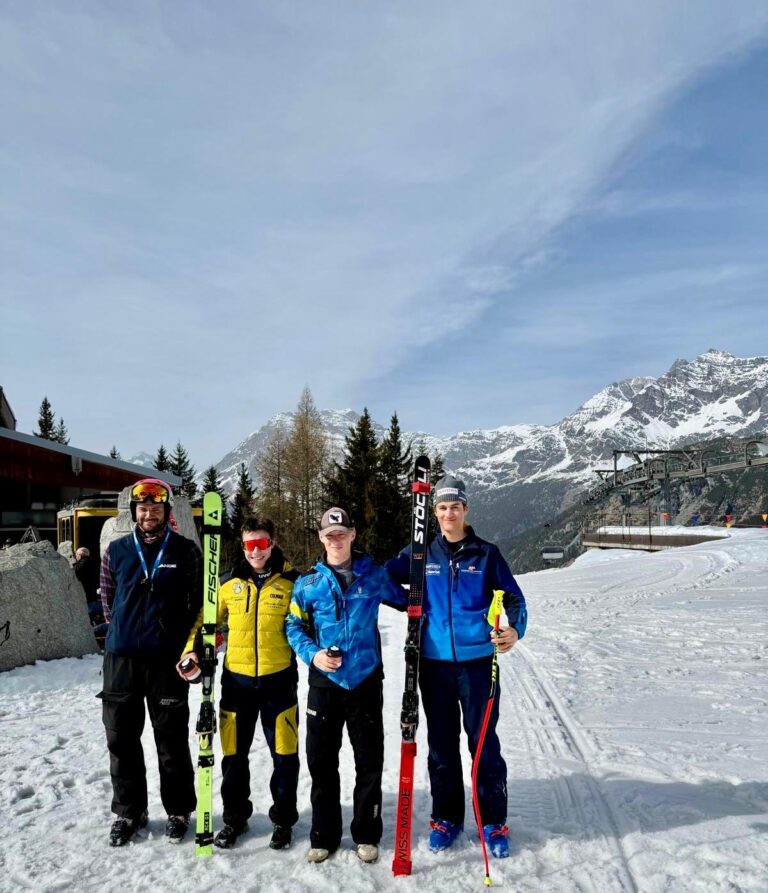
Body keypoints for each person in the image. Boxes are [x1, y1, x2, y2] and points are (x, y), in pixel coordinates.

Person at [386, 476, 527, 859]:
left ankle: (492, 820)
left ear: (466, 510)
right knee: (442, 747)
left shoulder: (486, 554)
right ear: (434, 513)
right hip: (433, 667)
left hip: (478, 665)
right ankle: (446, 818)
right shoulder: (420, 554)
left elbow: (513, 598)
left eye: (455, 507)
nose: (449, 513)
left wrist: (513, 630)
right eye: (442, 507)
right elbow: (384, 578)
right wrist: (410, 603)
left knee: (482, 744)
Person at [286, 507, 408, 865]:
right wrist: (313, 654)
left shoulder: (375, 576)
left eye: (342, 534)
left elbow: (410, 603)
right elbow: (294, 627)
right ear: (321, 538)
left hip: (365, 680)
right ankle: (323, 835)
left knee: (368, 759)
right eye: (329, 535)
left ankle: (366, 834)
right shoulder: (308, 583)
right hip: (325, 681)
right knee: (321, 760)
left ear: (353, 535)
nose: (335, 540)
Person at [177, 517, 300, 851]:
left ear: (272, 543)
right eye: (250, 544)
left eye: (262, 543)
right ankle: (234, 819)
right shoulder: (228, 583)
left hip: (279, 683)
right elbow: (206, 621)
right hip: (237, 684)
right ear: (242, 546)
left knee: (284, 756)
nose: (256, 551)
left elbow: (310, 622)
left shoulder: (292, 582)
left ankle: (283, 821)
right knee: (233, 756)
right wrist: (192, 651)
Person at [98, 478, 202, 847]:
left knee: (171, 738)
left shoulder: (186, 550)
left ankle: (178, 810)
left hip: (166, 659)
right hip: (122, 657)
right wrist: (125, 632)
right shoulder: (116, 550)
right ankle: (130, 811)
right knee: (121, 739)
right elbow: (108, 600)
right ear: (134, 513)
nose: (148, 515)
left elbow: (196, 605)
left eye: (155, 509)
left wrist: (190, 648)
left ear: (165, 513)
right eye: (142, 509)